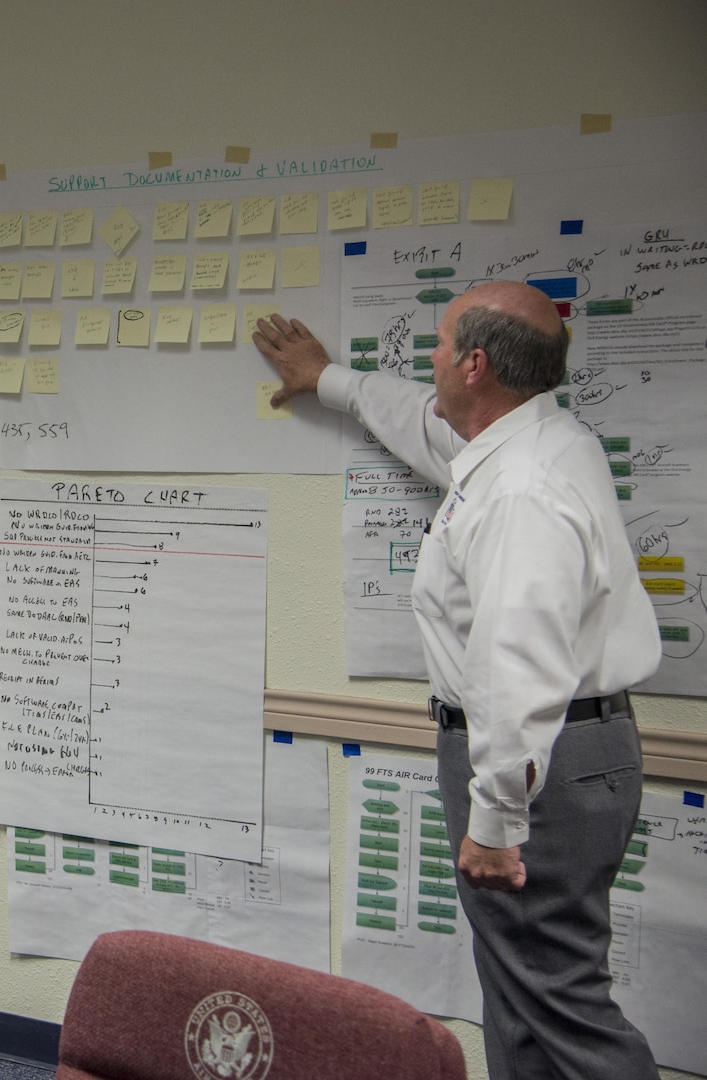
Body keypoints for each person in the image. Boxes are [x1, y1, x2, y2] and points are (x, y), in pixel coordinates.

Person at [253, 281, 660, 1078]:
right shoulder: (528, 443)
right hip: (563, 752)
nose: (428, 358)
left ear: (475, 365)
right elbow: (422, 424)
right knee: (522, 1000)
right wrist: (328, 380)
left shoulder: (520, 492)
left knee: (560, 1004)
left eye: (439, 346)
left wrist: (499, 817)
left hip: (540, 763)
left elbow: (519, 661)